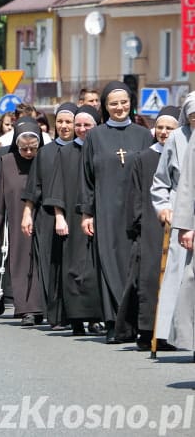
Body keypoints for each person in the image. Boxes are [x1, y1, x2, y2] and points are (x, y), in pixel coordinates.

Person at [79, 80, 153, 344]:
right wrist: (87, 213)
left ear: (131, 104)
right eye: (113, 103)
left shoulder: (144, 135)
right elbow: (86, 177)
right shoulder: (96, 136)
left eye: (123, 102)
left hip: (137, 209)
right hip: (105, 209)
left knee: (135, 264)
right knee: (109, 263)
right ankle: (113, 322)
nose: (119, 107)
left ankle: (135, 322)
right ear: (105, 106)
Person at [116, 106, 180, 350]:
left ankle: (170, 333)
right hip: (151, 226)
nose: (164, 132)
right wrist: (138, 223)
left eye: (169, 128)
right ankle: (147, 331)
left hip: (178, 223)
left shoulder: (185, 154)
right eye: (160, 128)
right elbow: (134, 195)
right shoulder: (144, 157)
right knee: (150, 278)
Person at [44, 105, 103, 336]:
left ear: (96, 126)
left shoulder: (101, 150)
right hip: (71, 218)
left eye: (86, 125)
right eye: (78, 125)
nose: (80, 129)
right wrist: (59, 217)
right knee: (73, 269)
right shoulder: (65, 153)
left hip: (98, 218)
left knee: (95, 268)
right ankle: (77, 319)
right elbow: (56, 187)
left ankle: (96, 318)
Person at [21, 102, 75, 328]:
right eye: (60, 122)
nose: (64, 126)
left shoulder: (84, 148)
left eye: (68, 122)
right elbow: (35, 187)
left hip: (75, 214)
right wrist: (27, 213)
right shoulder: (46, 152)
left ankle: (79, 315)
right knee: (51, 265)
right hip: (47, 216)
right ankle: (55, 315)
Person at [0, 117, 45, 326]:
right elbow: (0, 197)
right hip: (18, 221)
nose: (29, 153)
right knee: (21, 262)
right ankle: (26, 308)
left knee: (42, 263)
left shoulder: (45, 159)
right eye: (24, 149)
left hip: (44, 218)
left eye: (33, 149)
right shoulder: (7, 162)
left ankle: (43, 307)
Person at [152, 92, 195, 351]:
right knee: (181, 280)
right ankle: (172, 334)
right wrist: (166, 207)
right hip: (183, 213)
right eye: (191, 118)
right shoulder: (177, 139)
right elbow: (160, 181)